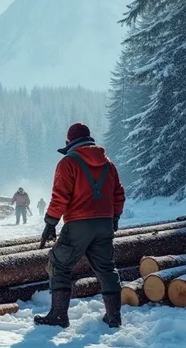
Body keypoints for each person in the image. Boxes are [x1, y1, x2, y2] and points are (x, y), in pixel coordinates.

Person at [34, 122, 125, 329]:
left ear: (70, 141)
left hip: (78, 224)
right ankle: (114, 317)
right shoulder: (108, 164)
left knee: (59, 264)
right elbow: (119, 193)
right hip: (104, 223)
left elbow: (60, 197)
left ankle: (58, 316)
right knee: (106, 268)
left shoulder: (69, 162)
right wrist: (114, 218)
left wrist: (50, 223)